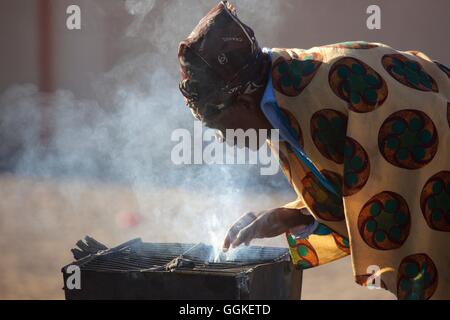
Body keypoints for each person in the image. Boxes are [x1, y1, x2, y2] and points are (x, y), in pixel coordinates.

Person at [178, 1, 449, 300]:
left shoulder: (331, 88)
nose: (221, 138)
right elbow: (358, 185)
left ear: (242, 103)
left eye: (217, 125)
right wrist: (288, 216)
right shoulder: (279, 97)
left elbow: (396, 191)